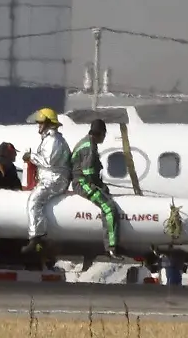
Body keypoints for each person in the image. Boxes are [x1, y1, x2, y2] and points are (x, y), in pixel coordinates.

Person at [71, 118, 121, 269]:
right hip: (82, 183)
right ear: (101, 134)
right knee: (109, 208)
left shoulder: (88, 142)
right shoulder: (90, 148)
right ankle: (111, 249)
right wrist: (99, 186)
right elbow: (88, 173)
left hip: (86, 181)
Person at [24, 108, 71, 253]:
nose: (39, 126)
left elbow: (48, 161)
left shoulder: (53, 140)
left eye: (41, 123)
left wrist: (30, 156)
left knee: (34, 201)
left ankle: (36, 237)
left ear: (48, 123)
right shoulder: (50, 139)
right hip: (51, 178)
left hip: (55, 179)